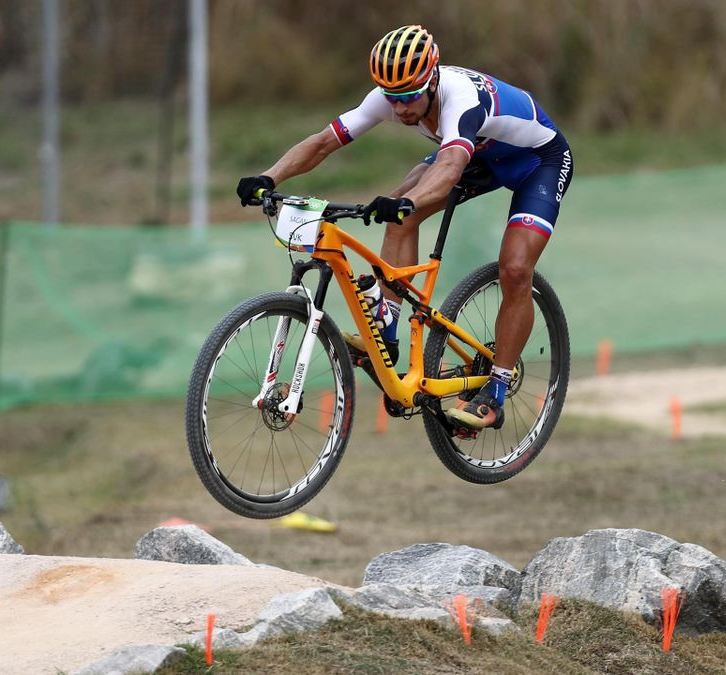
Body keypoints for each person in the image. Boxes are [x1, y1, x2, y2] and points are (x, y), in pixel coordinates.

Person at [236, 24, 573, 431]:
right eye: (393, 98)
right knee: (400, 211)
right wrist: (269, 177)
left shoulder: (460, 99)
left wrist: (408, 203)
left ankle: (496, 391)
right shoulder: (390, 96)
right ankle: (388, 327)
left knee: (515, 269)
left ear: (431, 79)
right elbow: (325, 141)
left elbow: (449, 168)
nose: (401, 109)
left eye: (410, 96)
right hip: (479, 156)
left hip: (538, 161)